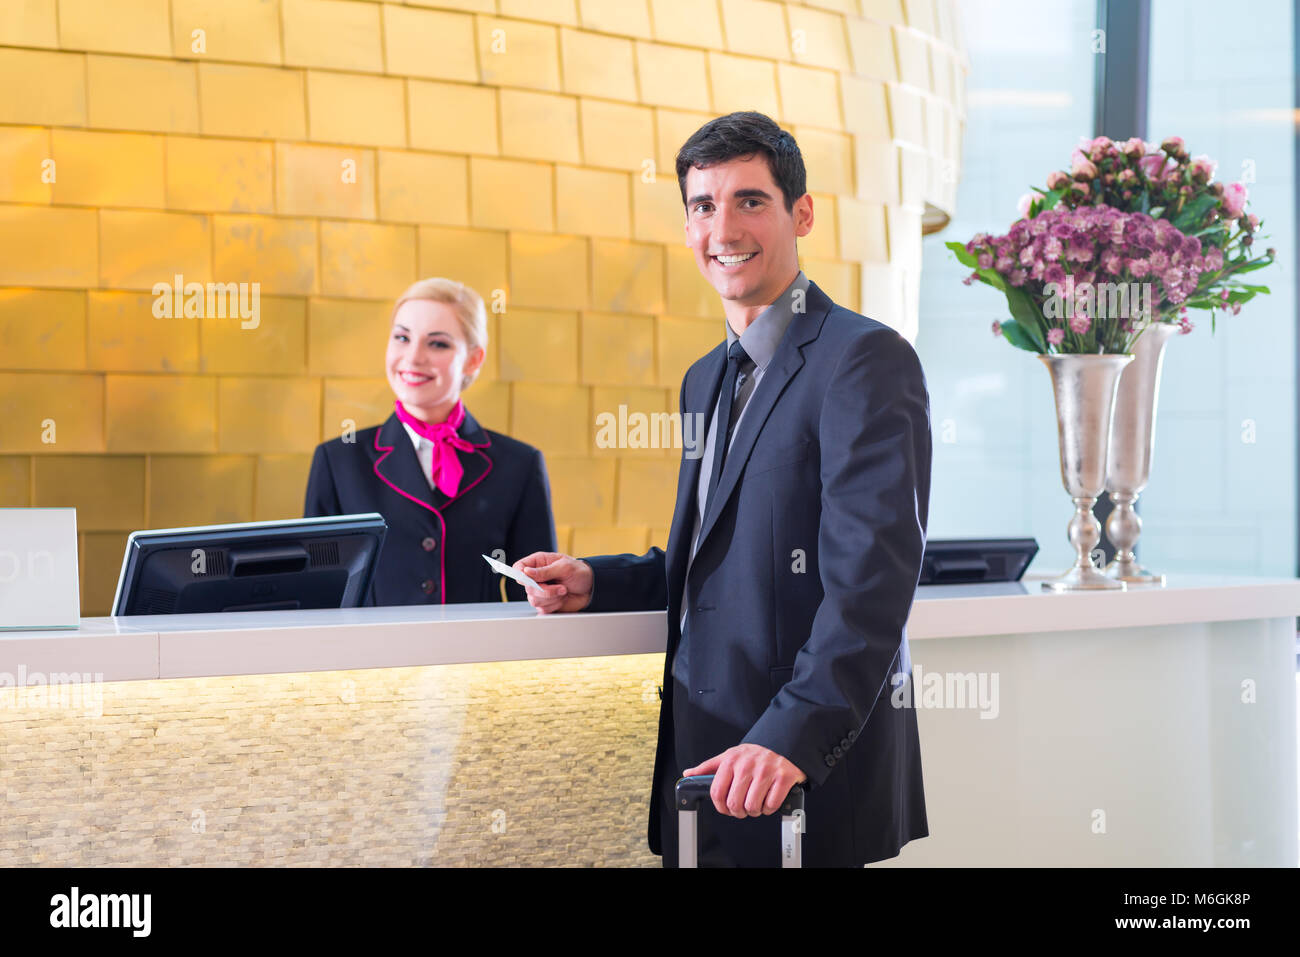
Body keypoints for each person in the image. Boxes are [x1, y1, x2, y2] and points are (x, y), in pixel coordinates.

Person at [514, 112, 932, 867]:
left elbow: (872, 583)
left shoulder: (864, 358)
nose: (723, 227)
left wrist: (790, 736)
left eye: (749, 200)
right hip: (704, 765)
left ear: (800, 214)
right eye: (703, 206)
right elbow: (717, 553)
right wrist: (597, 581)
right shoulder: (704, 378)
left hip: (794, 768)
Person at [305, 277, 556, 605]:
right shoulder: (338, 461)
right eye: (402, 337)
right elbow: (319, 597)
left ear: (473, 359)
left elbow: (537, 598)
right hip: (375, 656)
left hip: (478, 655)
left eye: (437, 344)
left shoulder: (520, 465)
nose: (413, 357)